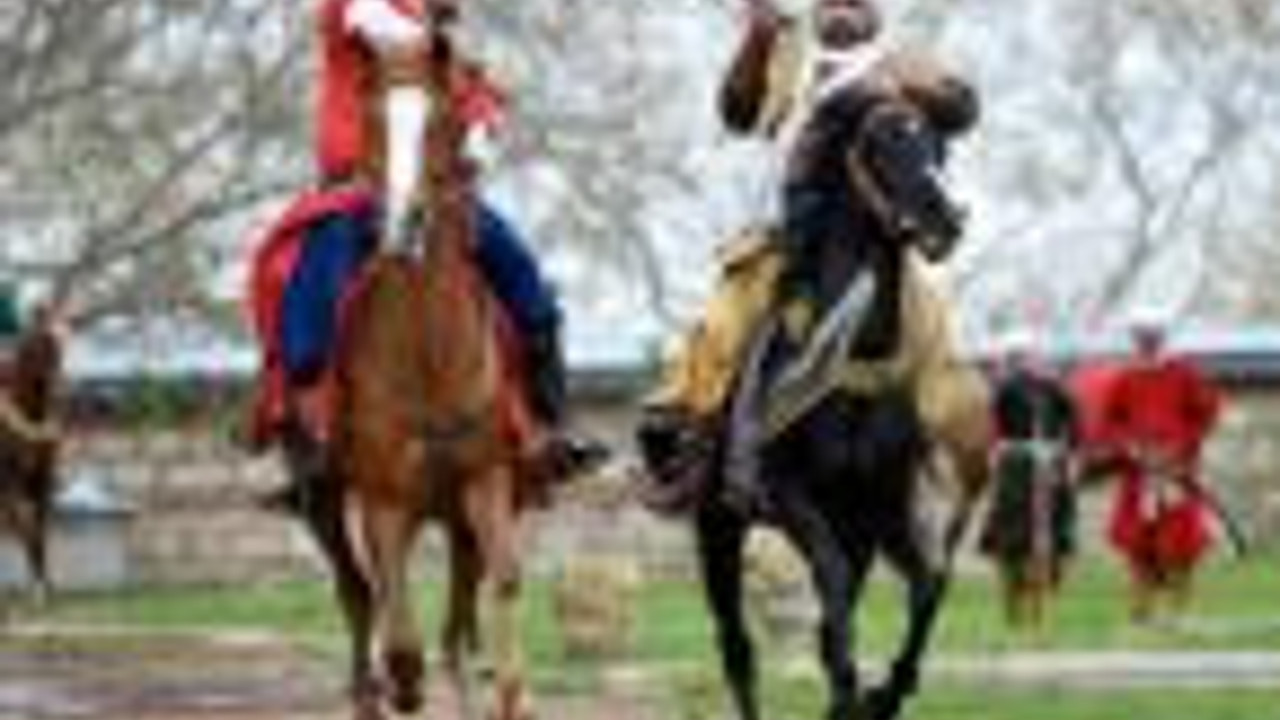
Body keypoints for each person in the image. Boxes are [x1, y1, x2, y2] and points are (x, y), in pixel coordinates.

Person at [249, 0, 600, 507]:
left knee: (525, 279)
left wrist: (480, 128)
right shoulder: (361, 12)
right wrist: (439, 34)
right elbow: (395, 33)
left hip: (441, 196)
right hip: (352, 192)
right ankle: (307, 438)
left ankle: (551, 423)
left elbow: (479, 101)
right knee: (311, 296)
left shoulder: (439, 46)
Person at [644, 0, 990, 510]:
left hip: (876, 239)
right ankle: (700, 451)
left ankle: (939, 458)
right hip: (779, 239)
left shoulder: (901, 62)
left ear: (873, 13)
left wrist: (916, 89)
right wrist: (757, 41)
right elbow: (737, 114)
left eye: (854, 3)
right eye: (832, 2)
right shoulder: (787, 60)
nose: (842, 10)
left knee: (936, 330)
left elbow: (962, 111)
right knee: (722, 328)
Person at [1102, 309, 1223, 623]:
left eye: (1151, 335)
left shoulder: (1184, 374)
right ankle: (1141, 611)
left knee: (1180, 543)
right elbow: (1112, 421)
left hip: (1175, 472)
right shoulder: (1125, 377)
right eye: (1140, 336)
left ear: (1162, 337)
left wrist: (1180, 448)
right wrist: (1131, 447)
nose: (1146, 341)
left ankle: (1178, 611)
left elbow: (1206, 414)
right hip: (1138, 474)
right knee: (1138, 544)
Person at [979, 331, 1080, 633]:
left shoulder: (1053, 388)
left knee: (1055, 529)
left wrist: (1069, 452)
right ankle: (1013, 605)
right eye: (1014, 357)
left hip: (1049, 465)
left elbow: (1074, 421)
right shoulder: (1003, 390)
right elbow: (992, 426)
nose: (1020, 362)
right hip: (1016, 465)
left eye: (1023, 356)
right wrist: (997, 451)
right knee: (1012, 530)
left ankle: (1043, 603)